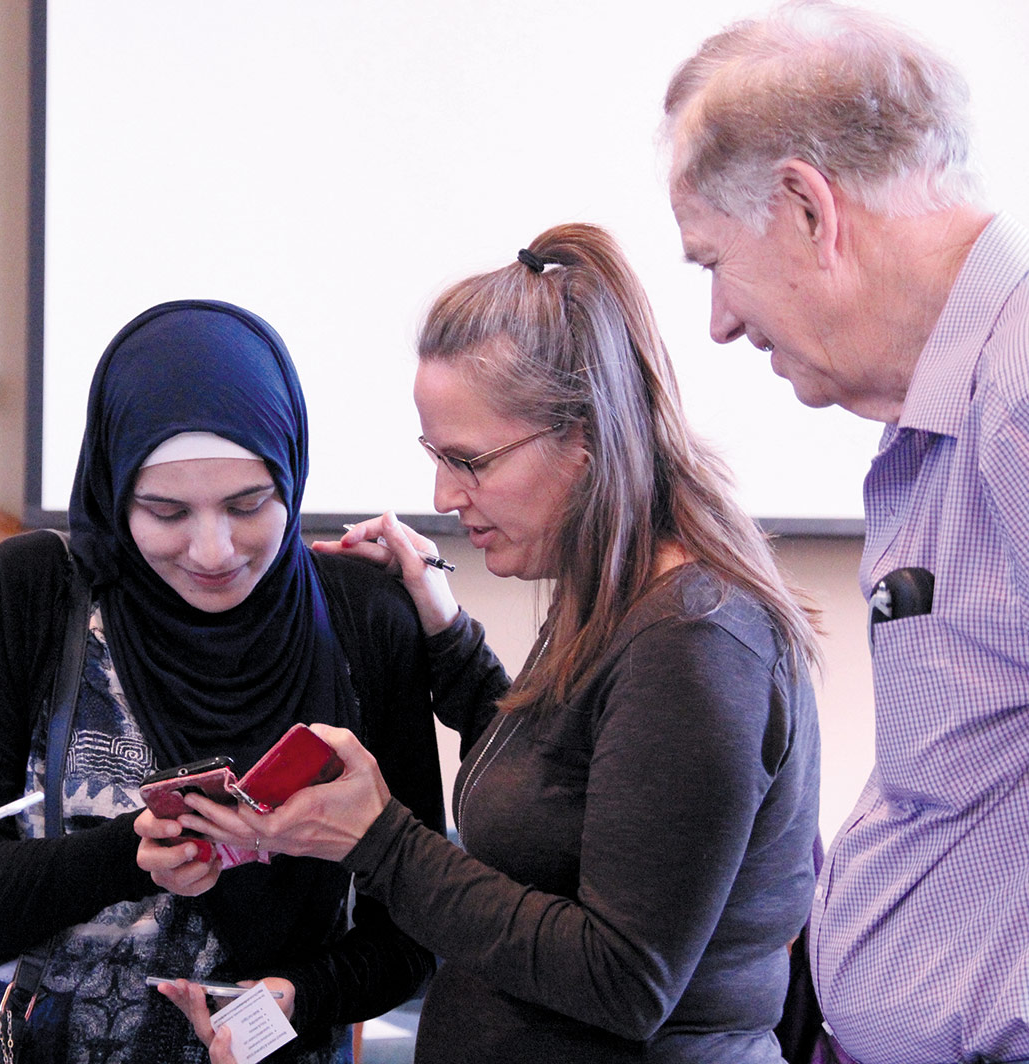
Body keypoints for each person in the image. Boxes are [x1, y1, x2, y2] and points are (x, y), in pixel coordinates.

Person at [147, 224, 822, 1064]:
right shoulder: (616, 598)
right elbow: (560, 782)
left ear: (584, 439)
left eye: (471, 461)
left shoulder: (693, 642)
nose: (442, 494)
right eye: (437, 457)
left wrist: (380, 840)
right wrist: (445, 630)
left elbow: (622, 980)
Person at [0, 299, 446, 1063]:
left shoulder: (361, 618)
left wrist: (293, 1000)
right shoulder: (33, 596)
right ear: (114, 490)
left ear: (290, 473)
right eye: (165, 511)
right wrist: (125, 853)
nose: (213, 549)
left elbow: (414, 930)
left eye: (248, 504)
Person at [662, 4, 1029, 1061]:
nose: (721, 321)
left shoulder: (1013, 401)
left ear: (805, 209)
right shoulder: (944, 413)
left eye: (710, 264)